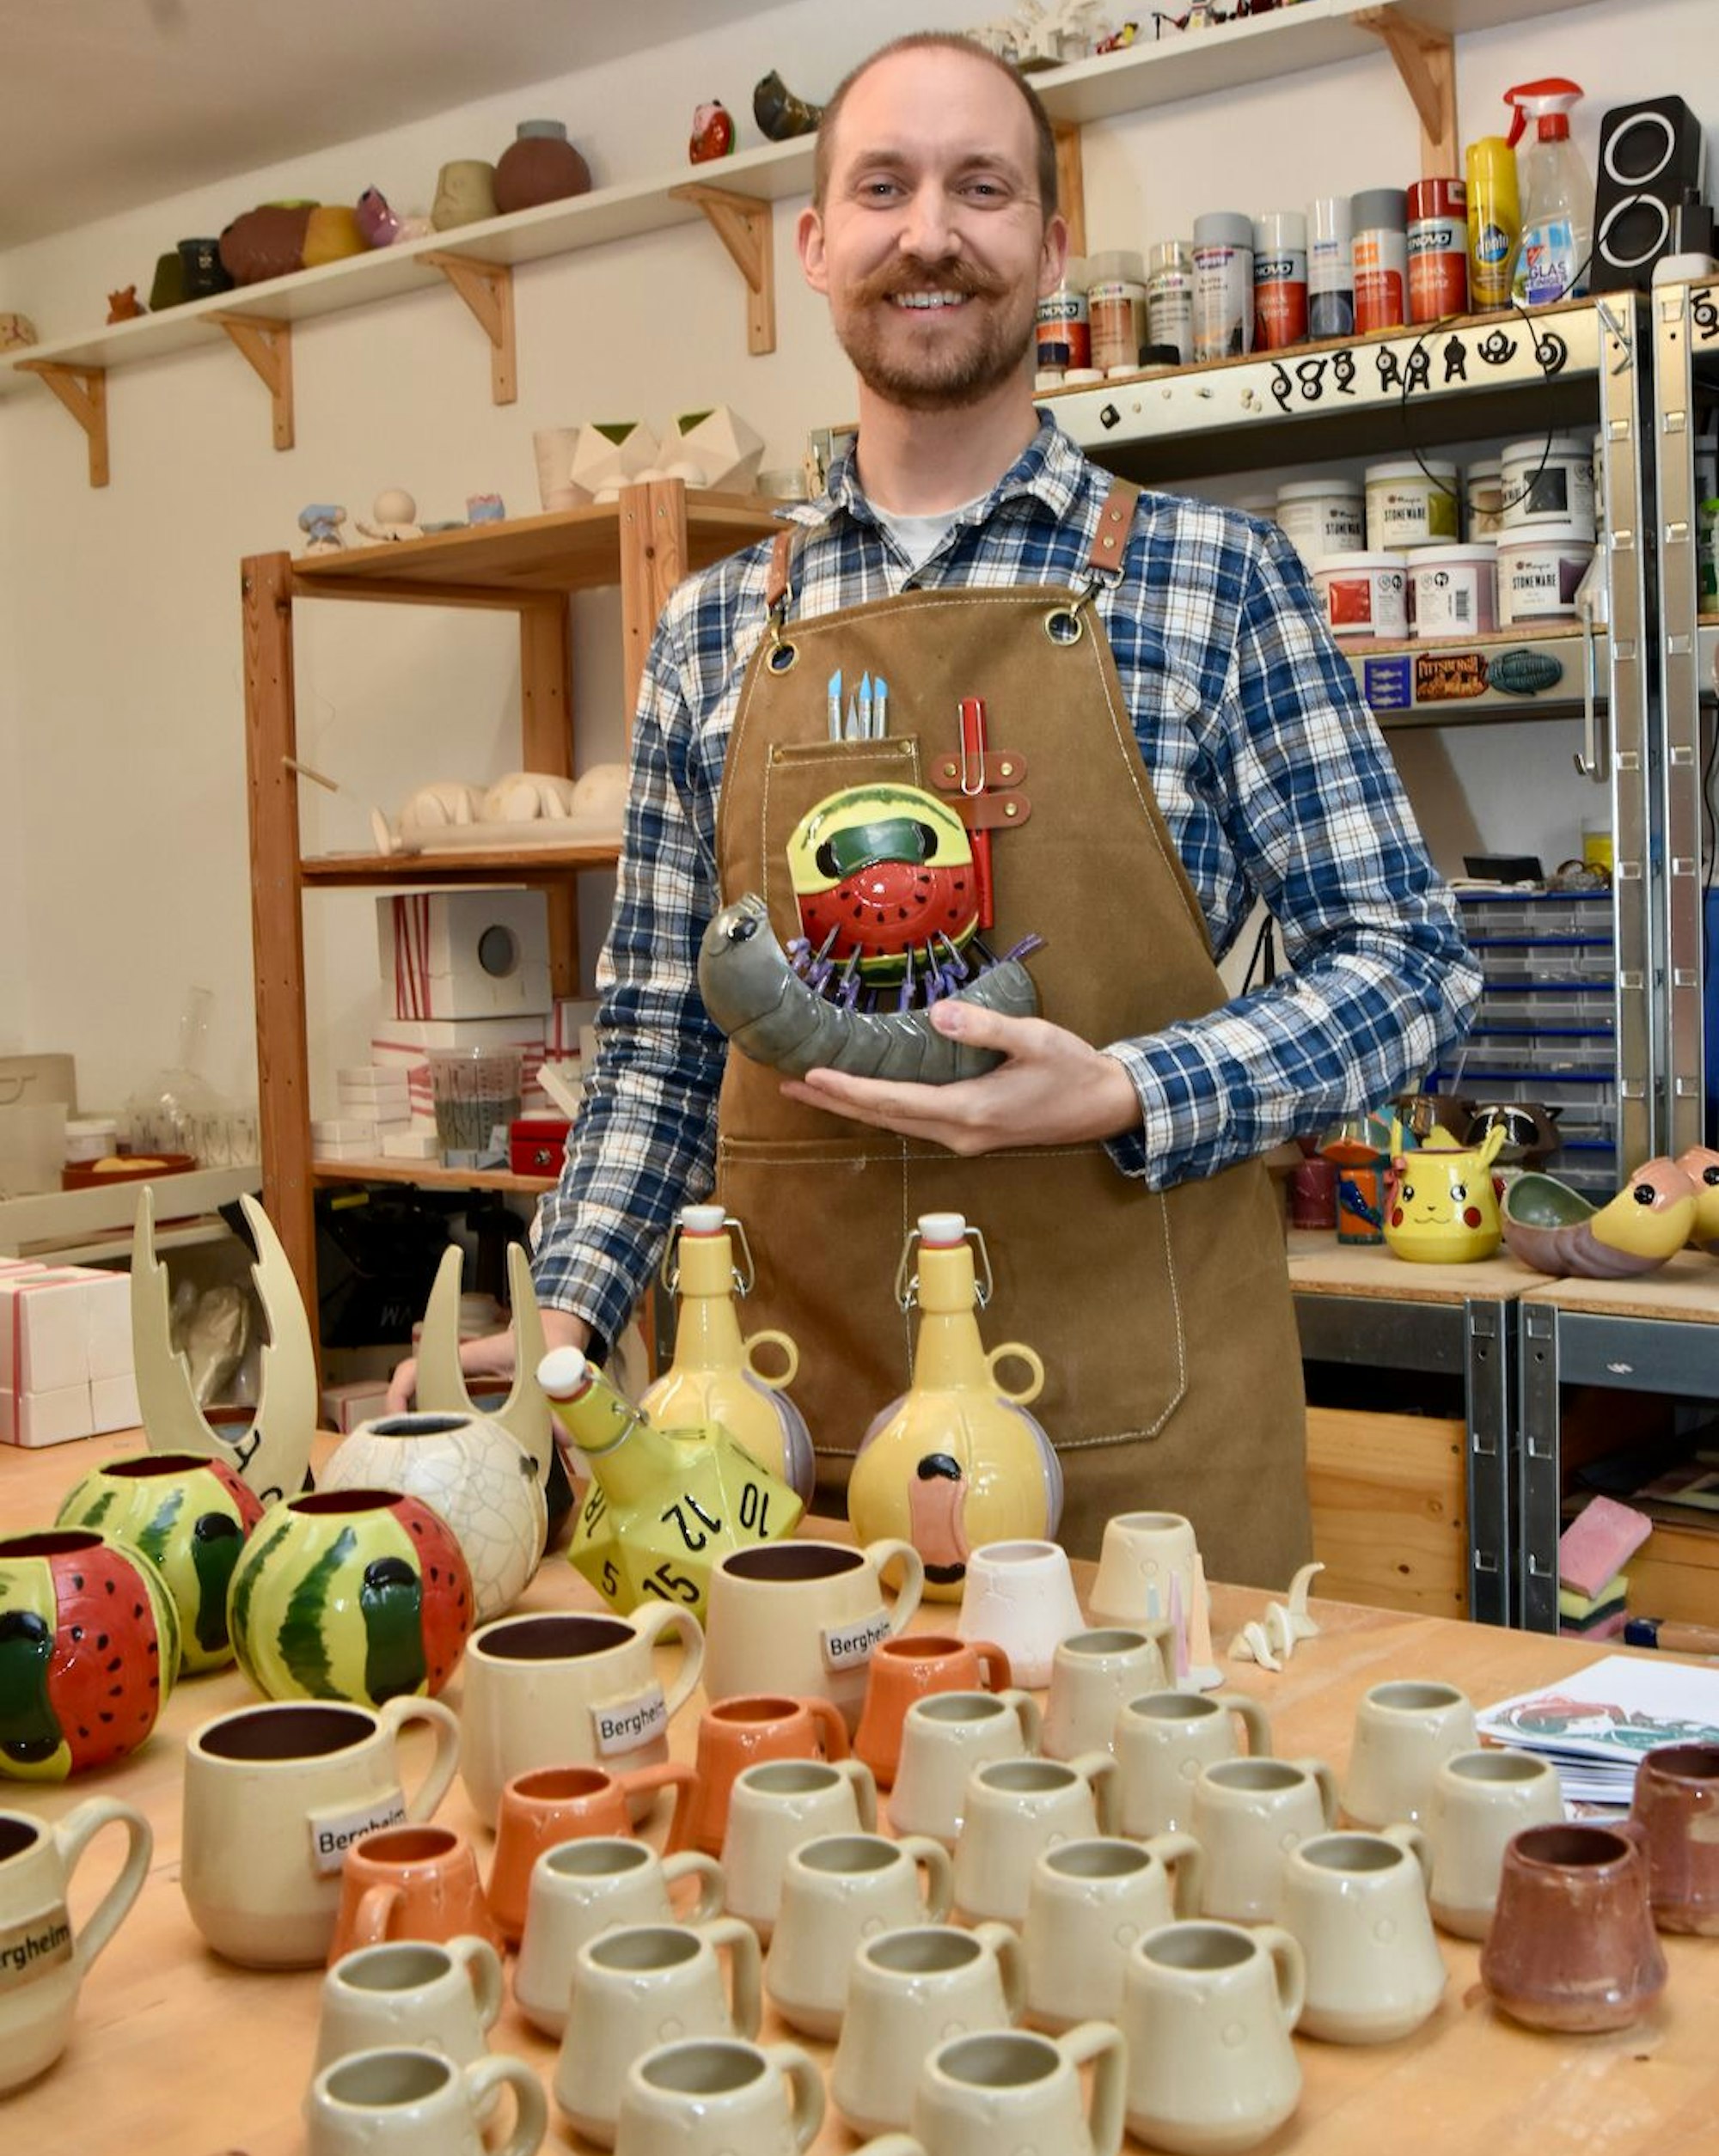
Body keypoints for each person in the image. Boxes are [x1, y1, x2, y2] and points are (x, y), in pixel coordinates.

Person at [391, 32, 1479, 1585]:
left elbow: (1413, 973)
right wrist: (557, 1322)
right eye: (884, 187)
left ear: (1047, 245)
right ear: (820, 245)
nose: (931, 233)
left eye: (982, 188)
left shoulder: (1216, 581)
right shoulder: (710, 628)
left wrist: (1123, 1089)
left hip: (1144, 1465)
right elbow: (652, 1055)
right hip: (780, 1460)